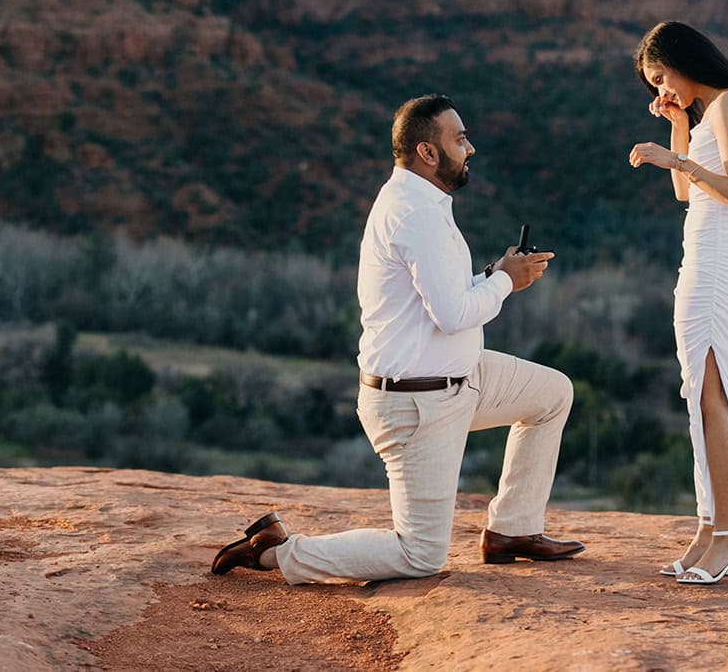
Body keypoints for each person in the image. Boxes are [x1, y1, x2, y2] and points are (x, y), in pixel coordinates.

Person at [211, 94, 584, 582]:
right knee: (420, 555)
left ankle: (511, 531)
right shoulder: (416, 214)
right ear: (428, 152)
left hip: (460, 378)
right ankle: (276, 552)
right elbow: (452, 315)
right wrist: (506, 282)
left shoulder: (422, 202)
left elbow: (442, 296)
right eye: (460, 139)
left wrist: (492, 273)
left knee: (553, 394)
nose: (470, 148)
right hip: (417, 404)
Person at [627, 21, 728, 585]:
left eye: (660, 77)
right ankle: (711, 526)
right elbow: (686, 196)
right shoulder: (706, 111)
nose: (659, 88)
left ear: (683, 61)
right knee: (700, 392)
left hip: (720, 257)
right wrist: (679, 127)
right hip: (700, 253)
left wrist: (677, 160)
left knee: (714, 393)